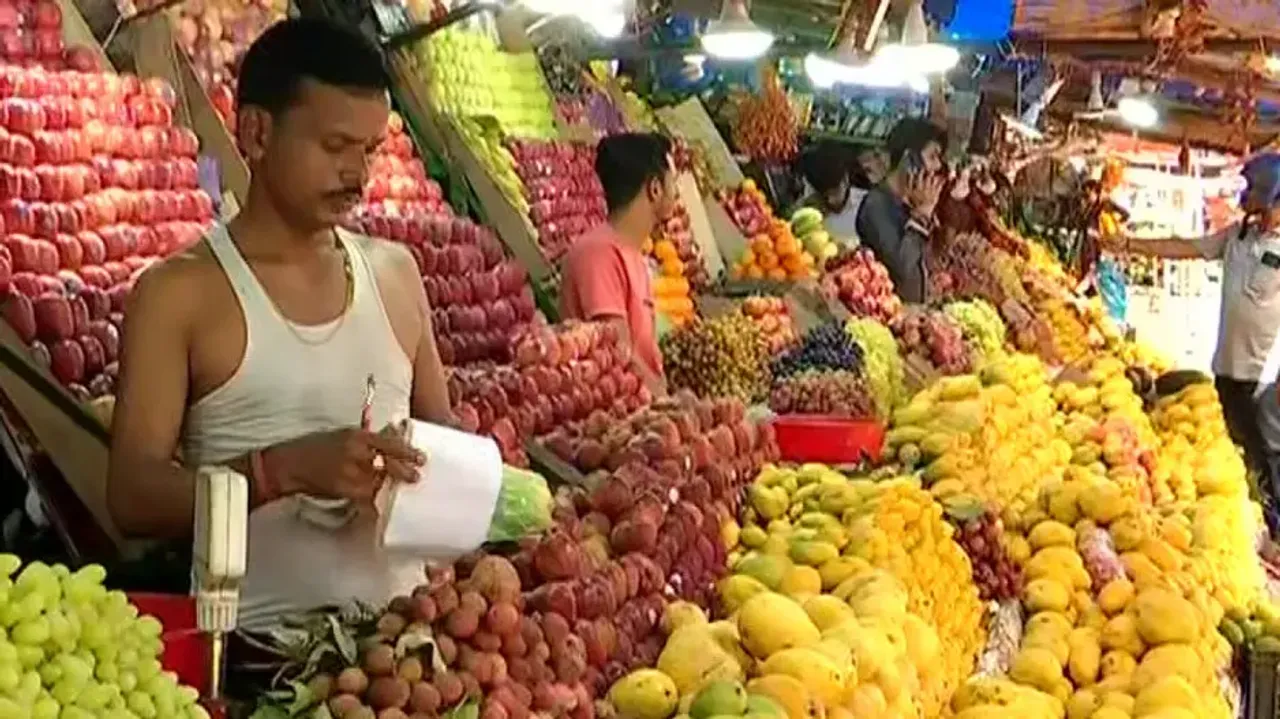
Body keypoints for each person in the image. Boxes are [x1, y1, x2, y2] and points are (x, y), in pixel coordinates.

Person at [108, 19, 453, 629]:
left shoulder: (396, 275)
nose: (358, 175)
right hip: (254, 660)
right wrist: (280, 471)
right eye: (334, 146)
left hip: (406, 664)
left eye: (369, 151)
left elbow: (443, 446)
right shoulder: (178, 294)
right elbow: (132, 497)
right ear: (257, 133)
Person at [1107, 152, 1280, 530]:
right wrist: (1129, 244)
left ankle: (1274, 530)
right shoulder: (1236, 237)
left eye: (1255, 194)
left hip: (1264, 376)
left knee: (1265, 459)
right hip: (1226, 369)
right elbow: (1185, 248)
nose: (1246, 201)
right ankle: (1251, 530)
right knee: (1234, 457)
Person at [560, 132, 674, 395]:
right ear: (654, 189)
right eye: (673, 182)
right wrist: (666, 403)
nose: (677, 193)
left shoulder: (630, 253)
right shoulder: (598, 254)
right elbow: (619, 356)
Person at [855, 118, 949, 303]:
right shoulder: (876, 205)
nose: (937, 166)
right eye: (932, 157)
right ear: (909, 159)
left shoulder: (911, 203)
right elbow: (901, 268)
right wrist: (922, 214)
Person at [797, 142, 887, 244]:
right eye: (825, 196)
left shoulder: (869, 207)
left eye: (835, 192)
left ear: (845, 179)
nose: (830, 200)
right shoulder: (809, 211)